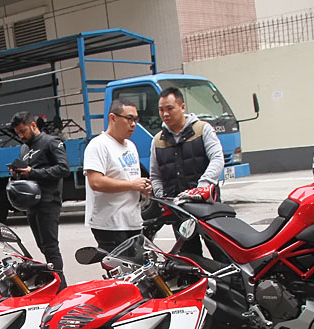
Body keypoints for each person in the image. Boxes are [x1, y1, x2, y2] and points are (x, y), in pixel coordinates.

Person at [150, 87, 225, 255]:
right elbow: (155, 175)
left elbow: (217, 159)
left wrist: (203, 187)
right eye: (161, 110)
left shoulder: (202, 129)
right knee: (190, 256)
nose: (165, 114)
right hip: (179, 210)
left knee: (220, 252)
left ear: (182, 107)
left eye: (170, 108)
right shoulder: (157, 141)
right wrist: (163, 198)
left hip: (206, 207)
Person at [83, 100, 152, 252]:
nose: (133, 124)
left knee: (138, 271)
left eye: (136, 119)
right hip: (110, 224)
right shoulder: (98, 145)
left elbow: (131, 180)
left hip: (133, 221)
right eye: (129, 119)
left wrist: (143, 188)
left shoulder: (131, 146)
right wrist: (132, 185)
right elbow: (96, 182)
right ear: (113, 118)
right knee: (121, 270)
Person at [9, 111, 69, 283]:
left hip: (49, 200)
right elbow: (27, 174)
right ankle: (53, 281)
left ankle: (60, 286)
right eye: (18, 133)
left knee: (50, 247)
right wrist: (17, 172)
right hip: (31, 202)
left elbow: (63, 169)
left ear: (33, 125)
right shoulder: (24, 148)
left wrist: (33, 172)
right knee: (42, 246)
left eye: (23, 131)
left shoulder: (51, 142)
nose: (21, 136)